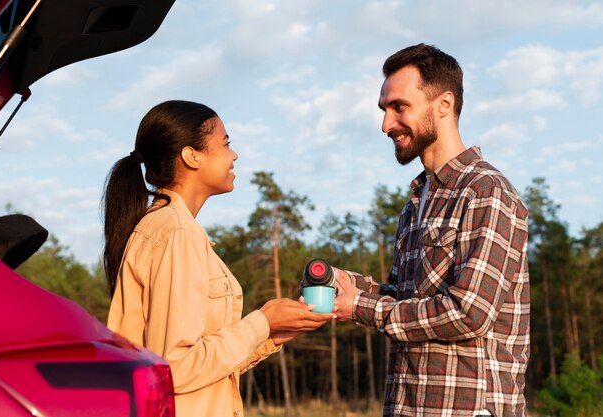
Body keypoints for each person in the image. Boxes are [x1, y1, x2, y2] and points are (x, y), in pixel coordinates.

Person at [102, 100, 334, 417]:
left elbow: (202, 368)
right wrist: (261, 321)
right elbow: (175, 368)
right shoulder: (177, 233)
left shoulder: (168, 228)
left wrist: (270, 334)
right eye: (226, 143)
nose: (234, 154)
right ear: (191, 156)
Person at [334, 44, 530, 416]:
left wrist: (360, 307)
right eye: (384, 110)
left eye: (399, 107)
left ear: (443, 104)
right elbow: (406, 297)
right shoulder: (416, 201)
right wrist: (351, 286)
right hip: (409, 405)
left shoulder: (486, 192)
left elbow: (469, 312)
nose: (386, 124)